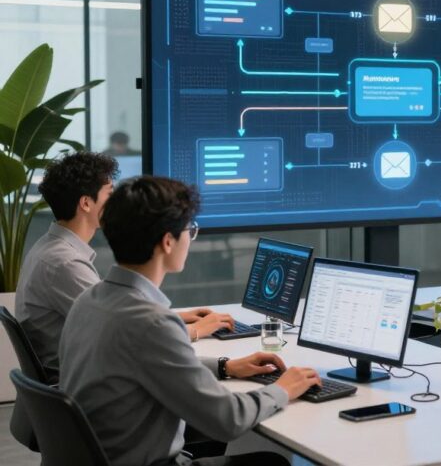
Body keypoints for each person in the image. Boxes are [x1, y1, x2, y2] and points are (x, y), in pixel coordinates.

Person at [59, 176, 322, 466]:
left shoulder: (90, 300)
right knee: (272, 463)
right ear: (168, 241)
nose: (191, 238)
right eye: (190, 230)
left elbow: (151, 366)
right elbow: (228, 420)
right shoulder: (151, 323)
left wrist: (226, 367)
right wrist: (283, 388)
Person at [16, 152, 229, 379]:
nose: (117, 200)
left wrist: (179, 316)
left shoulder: (50, 247)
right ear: (86, 203)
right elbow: (128, 334)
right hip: (85, 380)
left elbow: (119, 316)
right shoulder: (65, 263)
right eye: (110, 193)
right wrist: (199, 330)